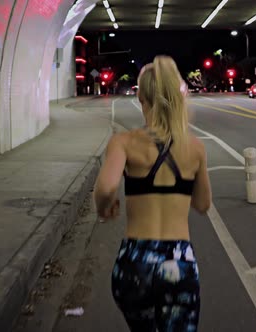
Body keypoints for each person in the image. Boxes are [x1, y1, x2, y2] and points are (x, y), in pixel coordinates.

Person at [93, 55, 212, 332]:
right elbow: (203, 204)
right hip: (179, 260)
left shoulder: (123, 143)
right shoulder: (194, 148)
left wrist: (104, 206)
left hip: (135, 261)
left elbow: (106, 188)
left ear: (141, 100)